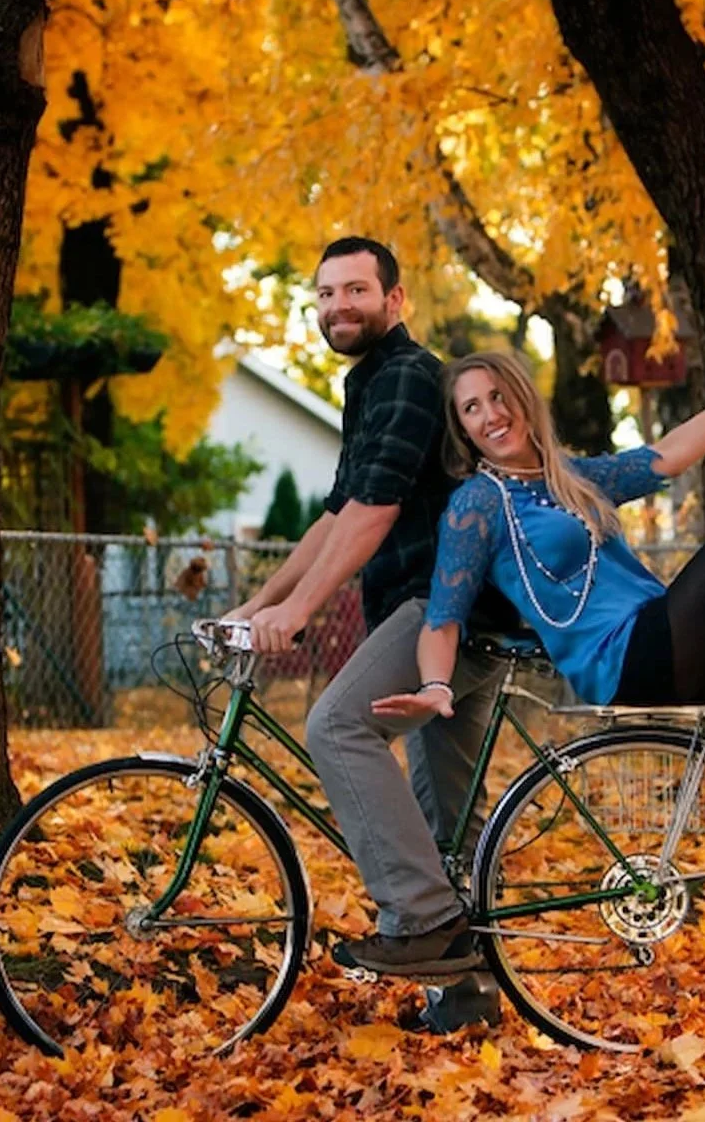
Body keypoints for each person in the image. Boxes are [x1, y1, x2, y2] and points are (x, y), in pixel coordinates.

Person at [372, 312, 705, 769]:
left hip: (661, 638)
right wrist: (436, 688)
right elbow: (443, 617)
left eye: (498, 397)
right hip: (625, 660)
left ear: (521, 399)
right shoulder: (477, 505)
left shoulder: (573, 476)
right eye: (472, 408)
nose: (491, 415)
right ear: (463, 429)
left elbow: (674, 451)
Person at [222, 237, 517, 980]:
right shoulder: (370, 383)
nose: (337, 307)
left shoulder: (410, 378)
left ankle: (420, 918)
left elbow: (377, 509)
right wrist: (260, 602)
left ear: (395, 300)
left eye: (355, 290)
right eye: (325, 294)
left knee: (337, 725)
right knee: (444, 826)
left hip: (445, 610)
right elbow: (337, 514)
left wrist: (300, 614)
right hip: (444, 617)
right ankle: (465, 994)